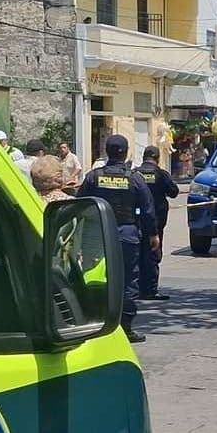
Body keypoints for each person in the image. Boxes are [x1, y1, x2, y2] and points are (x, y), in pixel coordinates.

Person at [76, 134, 158, 343]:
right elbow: (148, 210)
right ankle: (126, 328)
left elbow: (80, 203)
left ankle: (93, 322)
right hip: (126, 234)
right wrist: (153, 234)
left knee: (95, 277)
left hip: (98, 235)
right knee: (128, 280)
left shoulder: (94, 176)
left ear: (107, 151)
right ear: (127, 152)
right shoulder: (134, 178)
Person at [134, 145, 180, 300]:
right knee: (153, 255)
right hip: (156, 222)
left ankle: (137, 288)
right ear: (158, 158)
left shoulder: (135, 174)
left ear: (143, 157)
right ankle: (151, 290)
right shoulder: (161, 174)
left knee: (138, 255)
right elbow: (174, 192)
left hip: (137, 221)